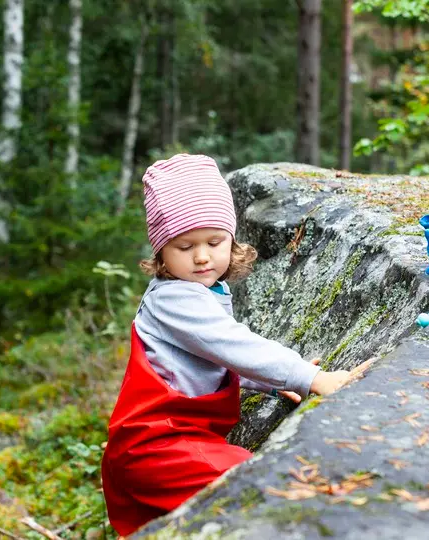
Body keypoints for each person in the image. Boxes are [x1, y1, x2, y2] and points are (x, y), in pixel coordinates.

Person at [100, 154, 353, 536]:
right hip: (156, 445)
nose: (202, 256)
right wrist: (309, 377)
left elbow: (212, 360)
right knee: (252, 483)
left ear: (231, 239)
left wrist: (272, 383)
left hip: (175, 439)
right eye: (185, 247)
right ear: (161, 253)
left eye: (215, 241)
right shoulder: (174, 298)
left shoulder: (205, 291)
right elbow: (233, 345)